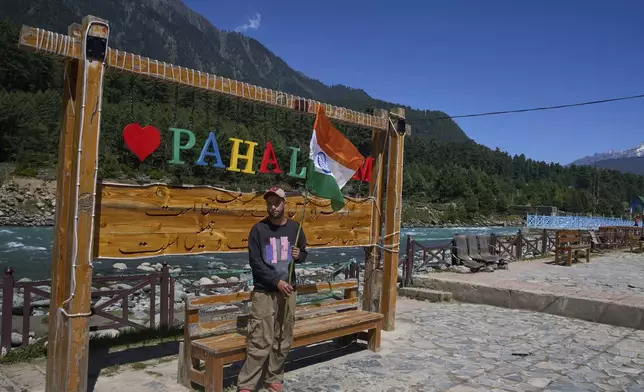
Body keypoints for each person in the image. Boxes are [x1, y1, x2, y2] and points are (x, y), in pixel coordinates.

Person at [237, 186, 308, 392]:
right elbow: (256, 263)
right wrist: (276, 281)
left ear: (285, 204)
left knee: (283, 337)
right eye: (269, 203)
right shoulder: (258, 230)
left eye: (277, 203)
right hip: (264, 292)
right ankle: (247, 383)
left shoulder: (295, 228)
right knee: (260, 338)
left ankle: (273, 377)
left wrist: (299, 256)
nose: (273, 206)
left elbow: (304, 253)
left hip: (288, 293)